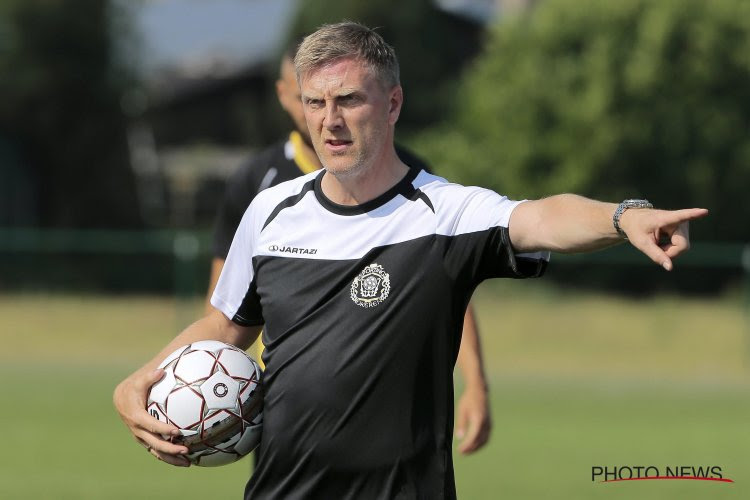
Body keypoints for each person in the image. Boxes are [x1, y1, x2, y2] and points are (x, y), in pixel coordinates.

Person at [114, 22, 707, 499]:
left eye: (349, 99)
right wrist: (144, 377)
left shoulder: (446, 213)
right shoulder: (271, 210)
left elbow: (543, 217)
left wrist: (624, 216)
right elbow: (225, 326)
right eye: (316, 102)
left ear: (392, 103)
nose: (330, 120)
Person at [206, 43, 491, 455]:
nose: (327, 113)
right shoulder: (258, 182)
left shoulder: (409, 174)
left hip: (390, 424)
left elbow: (447, 282)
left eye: (346, 97)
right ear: (286, 94)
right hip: (283, 413)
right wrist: (212, 384)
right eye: (309, 97)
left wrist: (476, 382)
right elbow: (222, 308)